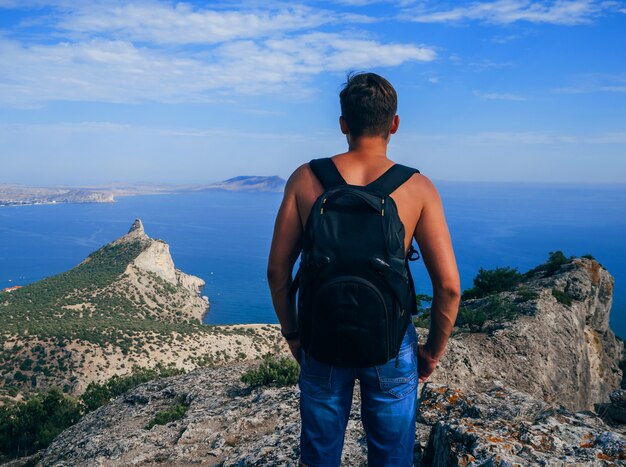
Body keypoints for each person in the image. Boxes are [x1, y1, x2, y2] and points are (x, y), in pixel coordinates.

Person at [267, 72, 460, 466]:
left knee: (319, 455)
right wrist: (431, 353)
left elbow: (276, 270)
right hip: (390, 346)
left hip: (321, 341)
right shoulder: (418, 187)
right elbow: (449, 287)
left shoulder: (305, 178)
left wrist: (293, 336)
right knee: (392, 457)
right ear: (394, 124)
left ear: (343, 124)